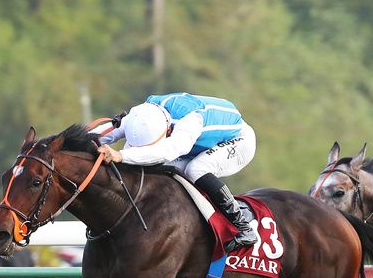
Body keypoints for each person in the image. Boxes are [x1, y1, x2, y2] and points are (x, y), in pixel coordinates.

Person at [97, 92, 258, 250]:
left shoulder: (190, 122)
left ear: (167, 131)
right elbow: (106, 134)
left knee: (195, 169)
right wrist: (85, 141)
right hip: (199, 142)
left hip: (238, 140)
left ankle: (243, 226)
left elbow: (166, 152)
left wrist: (121, 155)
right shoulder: (140, 116)